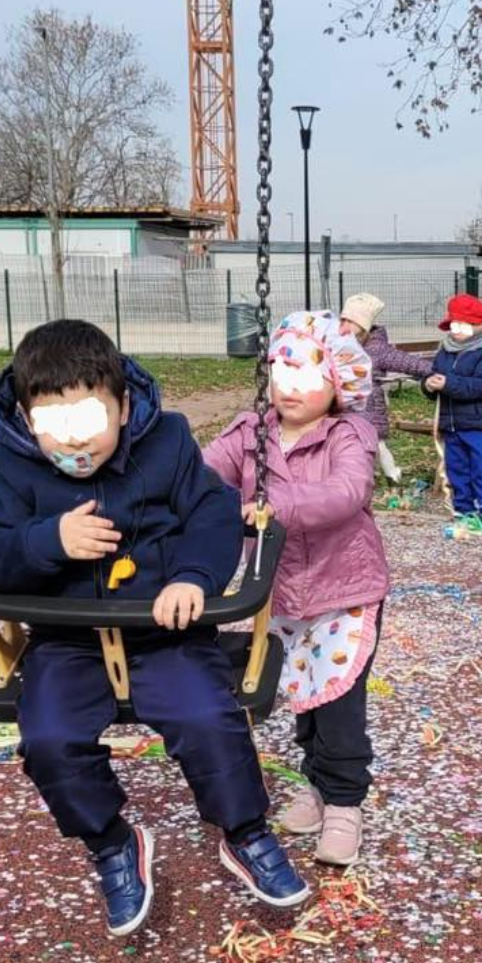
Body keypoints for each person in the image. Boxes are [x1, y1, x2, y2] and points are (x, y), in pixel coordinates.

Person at [0, 319, 311, 937]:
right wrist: (48, 540)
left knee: (208, 718)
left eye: (89, 418)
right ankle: (111, 842)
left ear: (123, 407)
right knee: (48, 739)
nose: (75, 439)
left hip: (164, 632)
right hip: (67, 641)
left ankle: (245, 831)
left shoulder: (167, 444)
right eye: (53, 423)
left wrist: (193, 578)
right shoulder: (9, 468)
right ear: (26, 419)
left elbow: (214, 513)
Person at [205, 310, 387, 866]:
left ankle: (345, 803)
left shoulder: (346, 434)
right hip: (284, 591)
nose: (288, 387)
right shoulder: (250, 433)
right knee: (305, 696)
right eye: (280, 373)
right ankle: (316, 786)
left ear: (337, 382)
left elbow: (346, 492)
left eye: (306, 374)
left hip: (344, 588)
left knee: (339, 703)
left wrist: (271, 506)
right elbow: (202, 475)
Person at [425, 293, 482, 530]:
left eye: (464, 325)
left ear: (478, 326)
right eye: (454, 325)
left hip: (478, 424)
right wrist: (428, 385)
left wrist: (448, 383)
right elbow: (434, 375)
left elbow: (481, 385)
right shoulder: (445, 351)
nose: (457, 331)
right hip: (451, 424)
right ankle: (463, 510)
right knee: (456, 469)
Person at [341, 291, 432, 485]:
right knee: (348, 442)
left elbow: (406, 361)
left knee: (377, 443)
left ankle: (393, 475)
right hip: (343, 405)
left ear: (363, 324)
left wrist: (435, 369)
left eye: (351, 321)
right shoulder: (339, 344)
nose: (345, 325)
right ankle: (360, 477)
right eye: (343, 320)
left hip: (369, 406)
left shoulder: (377, 349)